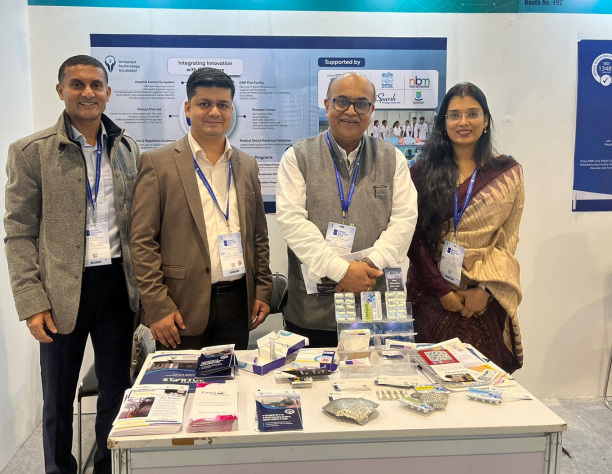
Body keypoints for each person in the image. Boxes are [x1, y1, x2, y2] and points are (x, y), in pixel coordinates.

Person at [4, 55, 140, 474]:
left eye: (96, 85)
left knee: (116, 390)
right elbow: (18, 232)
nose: (88, 92)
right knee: (59, 397)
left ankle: (108, 467)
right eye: (77, 84)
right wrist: (31, 301)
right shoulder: (31, 152)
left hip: (116, 287)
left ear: (108, 93)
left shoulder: (127, 149)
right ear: (60, 90)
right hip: (60, 291)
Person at [130, 67, 272, 351]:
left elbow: (259, 235)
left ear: (232, 110)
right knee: (179, 380)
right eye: (204, 103)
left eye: (223, 105)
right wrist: (157, 306)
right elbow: (142, 241)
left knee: (231, 379)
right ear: (188, 108)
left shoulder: (247, 165)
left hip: (237, 303)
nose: (214, 112)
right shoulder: (158, 164)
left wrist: (263, 289)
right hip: (180, 308)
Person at [277, 73, 418, 347]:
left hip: (372, 307)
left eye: (361, 104)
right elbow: (292, 222)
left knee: (377, 374)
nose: (351, 111)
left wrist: (366, 268)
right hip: (312, 312)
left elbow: (404, 220)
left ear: (372, 110)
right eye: (341, 101)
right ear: (327, 104)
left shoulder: (392, 158)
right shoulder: (298, 157)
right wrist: (342, 271)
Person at [406, 82, 524, 373]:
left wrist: (485, 290)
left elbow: (508, 237)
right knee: (431, 380)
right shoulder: (421, 172)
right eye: (454, 115)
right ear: (443, 122)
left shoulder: (507, 172)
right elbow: (413, 239)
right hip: (432, 295)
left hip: (483, 297)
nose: (463, 122)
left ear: (486, 120)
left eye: (472, 113)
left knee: (485, 383)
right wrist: (442, 292)